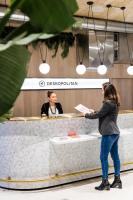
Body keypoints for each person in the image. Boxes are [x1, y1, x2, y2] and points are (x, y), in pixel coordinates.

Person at [83, 82, 122, 191]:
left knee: (103, 157)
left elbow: (99, 115)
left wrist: (86, 114)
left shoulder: (107, 103)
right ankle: (117, 180)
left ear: (106, 90)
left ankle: (105, 182)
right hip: (115, 133)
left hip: (108, 133)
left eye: (102, 89)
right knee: (115, 156)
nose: (101, 91)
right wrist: (94, 111)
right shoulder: (115, 102)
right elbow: (103, 113)